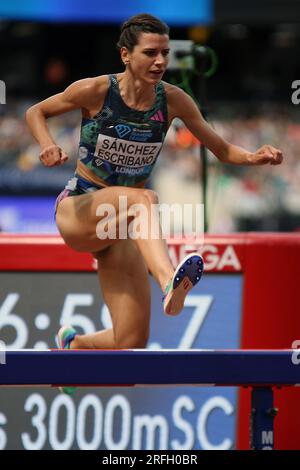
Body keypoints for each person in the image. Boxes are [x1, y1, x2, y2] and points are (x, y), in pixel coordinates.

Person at [26, 13, 283, 393]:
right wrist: (47, 145)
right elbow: (37, 111)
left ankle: (74, 345)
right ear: (126, 55)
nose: (161, 61)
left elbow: (222, 149)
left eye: (165, 52)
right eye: (151, 53)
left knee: (130, 341)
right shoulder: (97, 90)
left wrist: (255, 157)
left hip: (120, 227)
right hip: (80, 208)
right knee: (146, 198)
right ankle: (169, 283)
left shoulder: (174, 100)